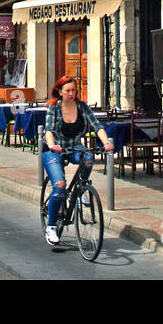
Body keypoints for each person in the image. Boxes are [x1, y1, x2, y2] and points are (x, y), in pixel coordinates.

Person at [42, 76, 113, 245]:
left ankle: (80, 190)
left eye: (73, 90)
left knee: (88, 156)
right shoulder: (54, 108)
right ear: (60, 92)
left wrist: (106, 142)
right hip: (54, 150)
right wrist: (52, 145)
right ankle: (51, 226)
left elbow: (97, 126)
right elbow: (49, 130)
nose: (71, 93)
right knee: (59, 186)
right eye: (67, 90)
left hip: (74, 147)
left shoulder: (82, 107)